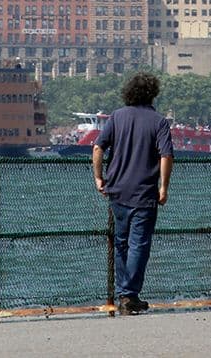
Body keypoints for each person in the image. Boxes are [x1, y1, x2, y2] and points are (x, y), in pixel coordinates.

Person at [92, 72, 175, 315]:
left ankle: (123, 293)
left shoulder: (117, 117)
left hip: (117, 191)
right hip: (144, 193)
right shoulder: (159, 121)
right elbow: (166, 155)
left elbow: (98, 147)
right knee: (139, 244)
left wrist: (99, 178)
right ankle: (130, 295)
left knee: (121, 243)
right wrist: (164, 187)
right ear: (152, 93)